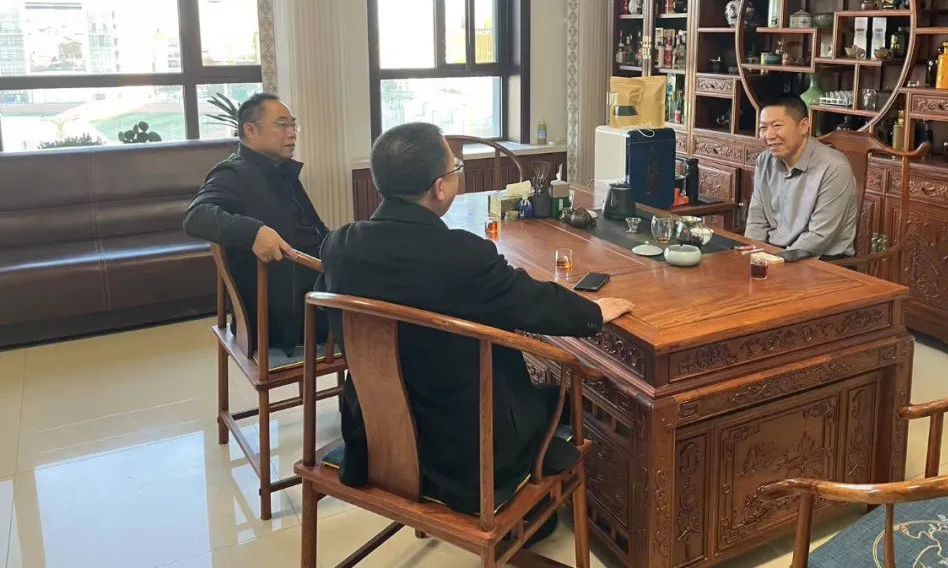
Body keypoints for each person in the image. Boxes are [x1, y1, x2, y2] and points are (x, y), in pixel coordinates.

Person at [319, 121, 634, 526]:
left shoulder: (340, 245)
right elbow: (531, 301)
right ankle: (538, 509)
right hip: (469, 458)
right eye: (455, 169)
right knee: (557, 393)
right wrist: (593, 312)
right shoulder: (461, 256)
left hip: (373, 438)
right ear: (440, 188)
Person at [184, 92, 328, 353]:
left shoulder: (279, 170)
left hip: (308, 291)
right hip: (285, 317)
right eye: (282, 125)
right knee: (381, 318)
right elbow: (196, 216)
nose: (291, 133)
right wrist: (254, 232)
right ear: (250, 130)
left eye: (293, 125)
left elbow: (316, 231)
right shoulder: (233, 173)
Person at [744, 96, 858, 258]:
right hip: (773, 254)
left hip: (820, 260)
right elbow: (756, 220)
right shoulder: (765, 160)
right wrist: (751, 253)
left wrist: (776, 260)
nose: (769, 135)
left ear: (804, 126)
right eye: (763, 127)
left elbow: (819, 236)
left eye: (777, 126)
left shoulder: (834, 168)